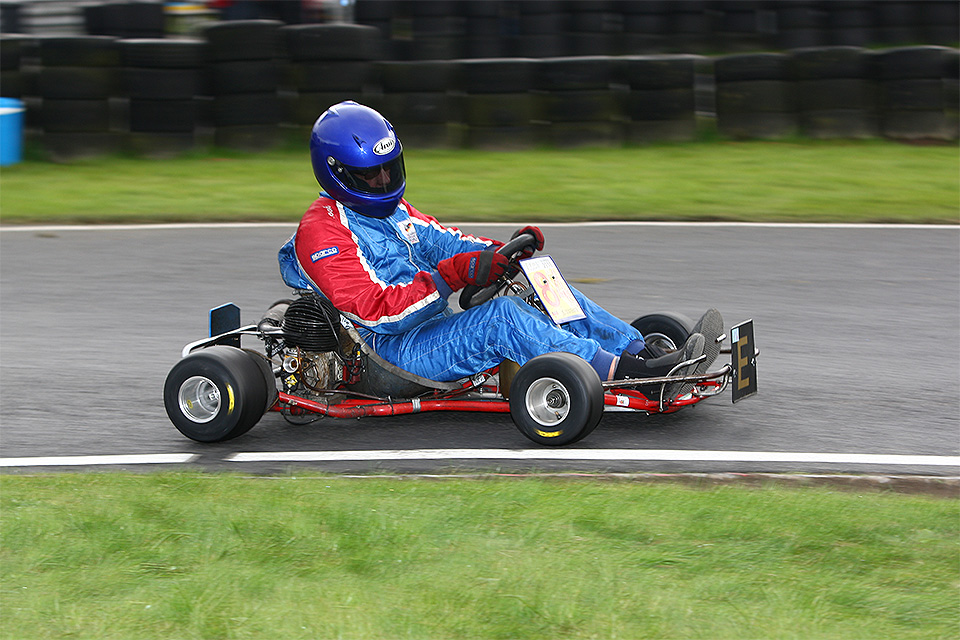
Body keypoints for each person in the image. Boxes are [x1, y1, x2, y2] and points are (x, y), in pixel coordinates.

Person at [278, 101, 722, 398]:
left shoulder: (392, 211)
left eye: (388, 170)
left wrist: (501, 253)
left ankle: (644, 354)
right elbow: (377, 312)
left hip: (428, 328)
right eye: (370, 175)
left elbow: (444, 241)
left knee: (536, 276)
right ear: (336, 172)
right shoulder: (322, 233)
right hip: (388, 355)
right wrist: (451, 276)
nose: (383, 183)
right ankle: (629, 378)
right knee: (503, 318)